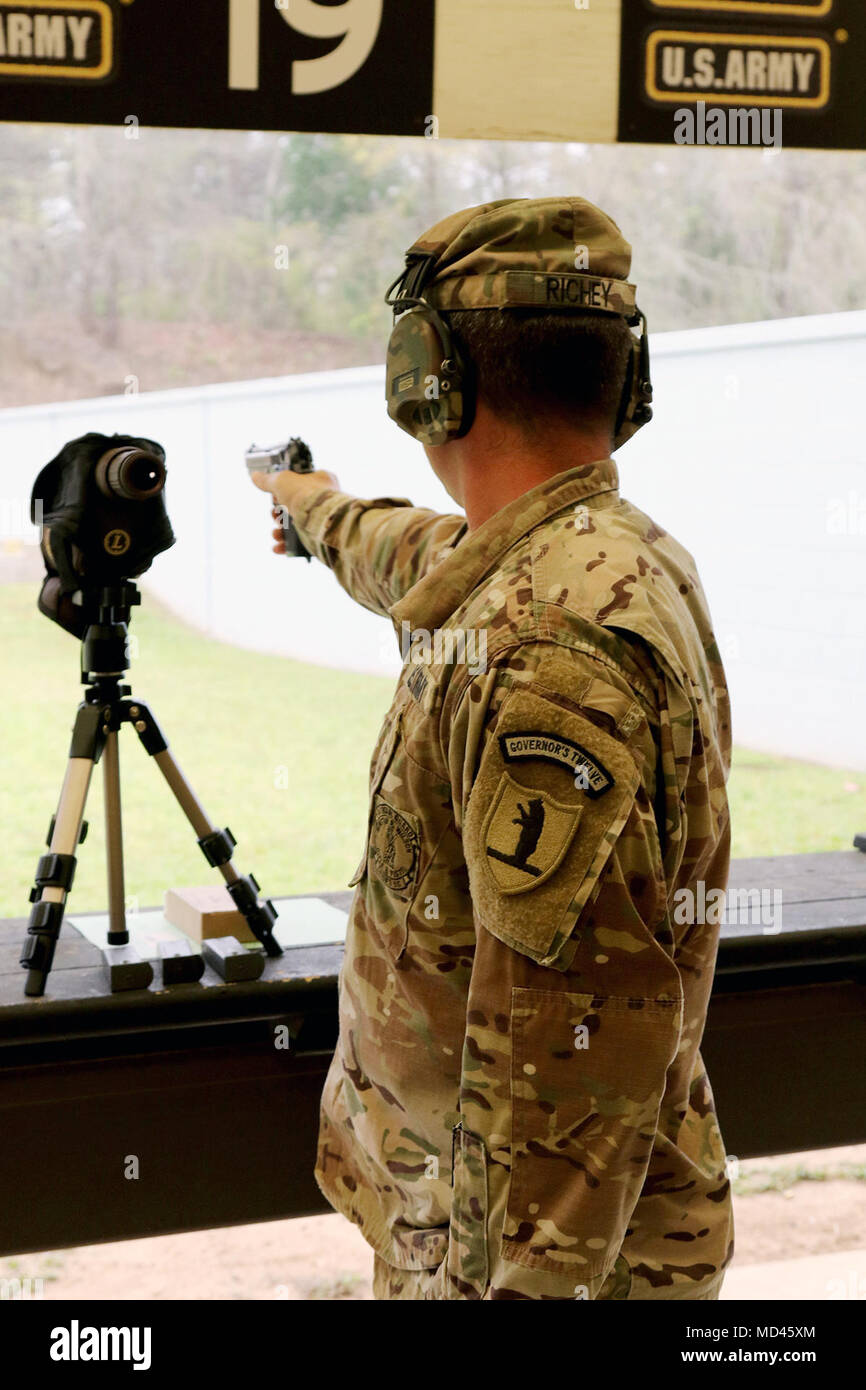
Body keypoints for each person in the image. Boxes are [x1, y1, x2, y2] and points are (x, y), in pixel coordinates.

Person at [251, 197, 734, 1301]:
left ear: (428, 378)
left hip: (517, 1257)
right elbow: (419, 554)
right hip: (512, 1223)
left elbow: (559, 1055)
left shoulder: (535, 650)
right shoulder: (598, 555)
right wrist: (310, 506)